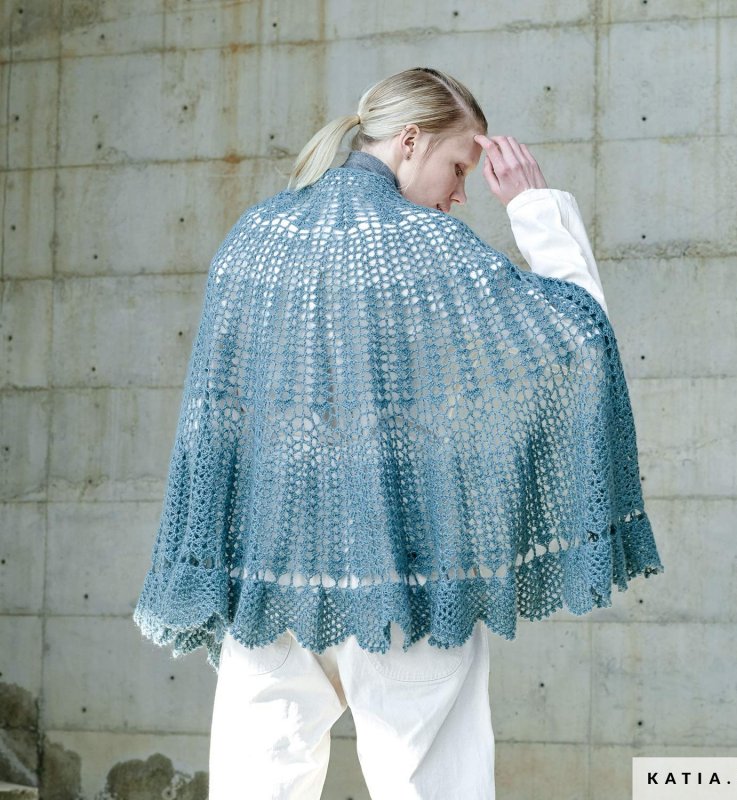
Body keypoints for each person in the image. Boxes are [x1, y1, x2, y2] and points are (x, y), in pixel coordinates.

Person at [133, 67, 662, 800]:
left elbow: (216, 425)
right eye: (458, 168)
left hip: (271, 582)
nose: (459, 193)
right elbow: (577, 339)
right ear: (410, 141)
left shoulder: (255, 236)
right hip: (411, 580)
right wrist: (535, 208)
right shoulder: (432, 248)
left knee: (257, 787)